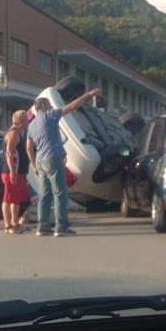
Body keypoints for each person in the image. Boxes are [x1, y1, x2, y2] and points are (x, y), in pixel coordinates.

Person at [27, 87, 101, 236]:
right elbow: (72, 106)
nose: (51, 106)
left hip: (40, 162)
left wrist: (34, 165)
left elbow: (29, 147)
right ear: (43, 106)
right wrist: (89, 94)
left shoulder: (32, 125)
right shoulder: (50, 116)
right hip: (53, 158)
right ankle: (61, 227)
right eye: (49, 104)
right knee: (60, 193)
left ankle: (42, 226)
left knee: (44, 195)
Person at [1, 110, 30, 234]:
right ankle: (10, 224)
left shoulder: (18, 133)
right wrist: (13, 171)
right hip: (12, 172)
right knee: (10, 199)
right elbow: (9, 152)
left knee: (15, 199)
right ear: (20, 121)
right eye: (26, 119)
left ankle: (14, 223)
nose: (28, 121)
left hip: (18, 172)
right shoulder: (13, 133)